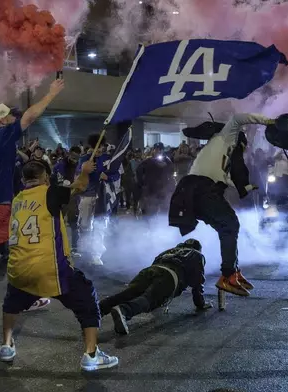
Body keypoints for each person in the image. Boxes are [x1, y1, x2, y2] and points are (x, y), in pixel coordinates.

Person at [0, 159, 119, 372]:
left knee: (12, 302)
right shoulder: (50, 192)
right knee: (87, 300)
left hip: (18, 268)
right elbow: (80, 187)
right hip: (49, 268)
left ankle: (6, 345)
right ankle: (91, 355)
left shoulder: (17, 199)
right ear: (45, 178)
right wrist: (84, 171)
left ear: (23, 179)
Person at [0, 78, 65, 317]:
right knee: (19, 248)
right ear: (2, 121)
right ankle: (27, 298)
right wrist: (51, 94)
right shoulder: (1, 136)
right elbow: (29, 117)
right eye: (10, 117)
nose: (15, 120)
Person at [169, 113, 276, 297]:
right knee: (230, 224)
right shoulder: (226, 137)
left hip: (196, 190)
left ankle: (232, 271)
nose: (242, 152)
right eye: (243, 147)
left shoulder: (221, 156)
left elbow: (226, 179)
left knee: (227, 227)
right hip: (201, 188)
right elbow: (237, 118)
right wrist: (268, 121)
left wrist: (249, 186)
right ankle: (228, 276)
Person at [98, 239, 212, 335]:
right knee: (150, 299)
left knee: (129, 293)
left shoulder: (170, 251)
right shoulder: (197, 255)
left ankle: (100, 308)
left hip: (150, 270)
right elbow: (197, 282)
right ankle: (124, 311)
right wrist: (200, 304)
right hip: (170, 275)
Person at [75, 134, 120, 266]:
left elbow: (116, 174)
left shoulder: (108, 159)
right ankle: (84, 251)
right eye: (96, 147)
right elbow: (79, 174)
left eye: (101, 146)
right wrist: (85, 169)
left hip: (103, 196)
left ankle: (96, 254)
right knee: (84, 225)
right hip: (87, 195)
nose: (99, 149)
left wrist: (108, 177)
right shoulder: (85, 159)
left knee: (100, 225)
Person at [136, 142, 175, 216]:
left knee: (164, 210)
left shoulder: (167, 161)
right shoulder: (148, 161)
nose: (158, 151)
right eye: (156, 149)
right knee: (149, 210)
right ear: (153, 150)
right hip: (150, 189)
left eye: (160, 149)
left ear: (163, 150)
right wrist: (142, 183)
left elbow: (171, 173)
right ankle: (147, 224)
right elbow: (139, 171)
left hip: (163, 189)